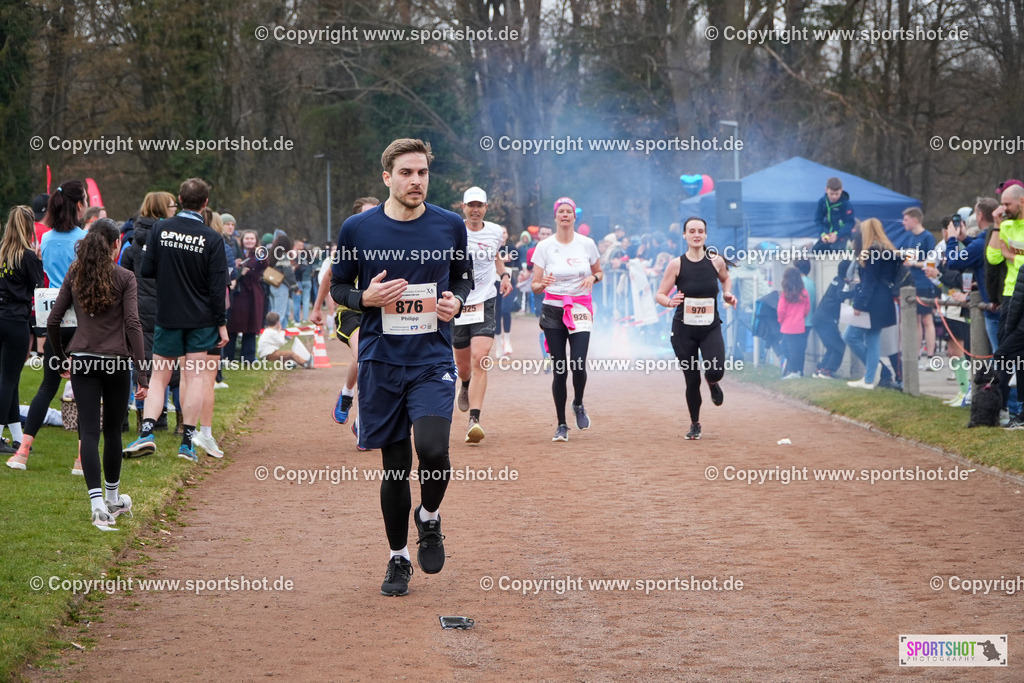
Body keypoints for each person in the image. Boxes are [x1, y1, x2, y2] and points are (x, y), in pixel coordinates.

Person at [330, 139, 472, 596]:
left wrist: (455, 301)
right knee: (394, 466)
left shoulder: (450, 225)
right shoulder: (358, 227)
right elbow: (338, 286)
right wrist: (362, 299)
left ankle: (428, 517)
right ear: (386, 176)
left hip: (431, 358)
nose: (416, 181)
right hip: (380, 360)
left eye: (423, 173)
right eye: (406, 173)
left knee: (432, 448)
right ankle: (398, 558)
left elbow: (462, 277)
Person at [46, 219, 148, 528]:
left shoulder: (76, 273)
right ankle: (113, 497)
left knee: (88, 433)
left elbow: (53, 320)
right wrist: (142, 374)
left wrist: (62, 358)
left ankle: (97, 504)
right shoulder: (125, 276)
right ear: (117, 244)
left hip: (83, 361)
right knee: (113, 432)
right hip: (116, 361)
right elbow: (133, 324)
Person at [122, 177, 228, 462]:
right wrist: (222, 324)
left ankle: (146, 433)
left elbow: (146, 270)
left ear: (180, 200)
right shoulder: (213, 238)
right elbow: (218, 288)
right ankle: (187, 443)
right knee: (193, 377)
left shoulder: (160, 228)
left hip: (167, 314)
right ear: (205, 204)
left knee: (158, 377)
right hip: (201, 319)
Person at [11, 180, 88, 471]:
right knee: (84, 390)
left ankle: (23, 452)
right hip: (79, 319)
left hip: (53, 317)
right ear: (79, 205)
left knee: (47, 384)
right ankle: (81, 459)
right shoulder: (85, 239)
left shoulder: (46, 240)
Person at [655, 216, 737, 440]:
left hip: (710, 327)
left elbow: (726, 280)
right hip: (684, 330)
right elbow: (659, 294)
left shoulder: (715, 261)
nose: (696, 234)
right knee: (691, 379)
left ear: (706, 235)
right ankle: (695, 423)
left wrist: (728, 294)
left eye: (700, 231)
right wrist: (669, 301)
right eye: (691, 231)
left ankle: (712, 382)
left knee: (716, 370)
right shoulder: (676, 264)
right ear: (685, 235)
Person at [530, 197, 603, 442]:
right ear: (555, 216)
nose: (564, 215)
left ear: (574, 216)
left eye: (568, 211)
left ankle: (578, 403)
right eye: (560, 211)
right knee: (560, 368)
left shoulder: (587, 244)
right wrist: (543, 284)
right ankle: (561, 424)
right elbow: (535, 286)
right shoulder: (545, 246)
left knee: (578, 363)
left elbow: (599, 272)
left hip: (580, 307)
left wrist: (593, 279)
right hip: (553, 309)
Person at [310, 196, 379, 426]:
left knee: (373, 360)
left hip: (380, 312)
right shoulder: (347, 248)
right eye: (364, 215)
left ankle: (352, 402)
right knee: (364, 356)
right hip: (350, 311)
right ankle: (358, 409)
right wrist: (317, 307)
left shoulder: (388, 244)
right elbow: (328, 279)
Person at [454, 186, 512, 443]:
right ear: (463, 208)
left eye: (480, 205)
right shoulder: (453, 230)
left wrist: (505, 275)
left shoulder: (495, 231)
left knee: (480, 358)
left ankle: (474, 420)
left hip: (486, 299)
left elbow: (495, 257)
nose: (475, 209)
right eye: (471, 205)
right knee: (463, 365)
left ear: (486, 208)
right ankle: (464, 384)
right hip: (458, 301)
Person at [121, 191, 177, 431]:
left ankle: (142, 415)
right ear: (163, 208)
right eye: (172, 205)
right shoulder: (171, 238)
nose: (176, 208)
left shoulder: (131, 239)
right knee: (167, 361)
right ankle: (162, 415)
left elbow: (124, 273)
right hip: (166, 304)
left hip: (137, 306)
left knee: (141, 360)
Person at [1, 207, 45, 466]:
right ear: (29, 228)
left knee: (11, 379)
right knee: (7, 379)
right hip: (16, 320)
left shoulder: (1, 251)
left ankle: (17, 437)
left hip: (0, 315)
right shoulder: (27, 256)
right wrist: (38, 260)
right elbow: (37, 288)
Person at [845, 218, 902, 390]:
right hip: (883, 299)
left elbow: (869, 281)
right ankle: (869, 377)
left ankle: (872, 370)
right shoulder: (886, 249)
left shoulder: (872, 251)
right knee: (872, 338)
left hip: (872, 300)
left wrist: (859, 304)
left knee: (851, 336)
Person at [901, 207, 939, 366]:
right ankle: (916, 355)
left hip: (925, 283)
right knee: (915, 320)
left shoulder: (927, 237)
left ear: (915, 220)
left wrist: (914, 263)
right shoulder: (910, 238)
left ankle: (931, 356)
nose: (903, 223)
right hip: (912, 283)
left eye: (906, 219)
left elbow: (931, 262)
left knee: (927, 319)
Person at [226, 230, 268, 363]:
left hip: (253, 294)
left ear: (256, 240)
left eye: (252, 238)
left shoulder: (259, 253)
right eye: (247, 238)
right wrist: (238, 268)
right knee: (232, 325)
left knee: (251, 326)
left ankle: (248, 358)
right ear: (242, 240)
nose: (249, 241)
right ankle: (228, 357)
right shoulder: (236, 252)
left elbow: (264, 264)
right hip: (238, 293)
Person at [811, 260, 852, 379]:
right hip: (827, 320)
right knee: (839, 346)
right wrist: (855, 291)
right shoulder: (843, 284)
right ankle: (828, 371)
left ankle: (821, 368)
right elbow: (840, 296)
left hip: (819, 318)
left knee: (832, 346)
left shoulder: (835, 279)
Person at [778, 266, 810, 379]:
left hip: (787, 326)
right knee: (798, 349)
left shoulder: (785, 295)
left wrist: (780, 321)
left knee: (787, 348)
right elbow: (807, 308)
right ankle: (799, 371)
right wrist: (801, 317)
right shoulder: (804, 293)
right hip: (800, 325)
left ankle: (793, 371)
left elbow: (781, 311)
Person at [812, 177, 855, 253]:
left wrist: (836, 234)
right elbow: (818, 220)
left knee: (837, 250)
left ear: (841, 190)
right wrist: (822, 234)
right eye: (831, 194)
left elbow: (850, 223)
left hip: (842, 234)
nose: (834, 197)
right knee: (815, 250)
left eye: (837, 194)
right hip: (827, 235)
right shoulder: (822, 202)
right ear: (826, 190)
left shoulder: (846, 204)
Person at [495, 225, 520, 356]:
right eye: (500, 232)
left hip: (509, 283)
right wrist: (502, 259)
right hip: (494, 284)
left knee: (505, 310)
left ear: (507, 234)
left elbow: (517, 263)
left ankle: (507, 341)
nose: (502, 234)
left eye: (504, 232)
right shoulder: (492, 248)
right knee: (496, 314)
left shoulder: (512, 249)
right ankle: (499, 344)